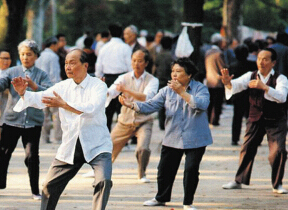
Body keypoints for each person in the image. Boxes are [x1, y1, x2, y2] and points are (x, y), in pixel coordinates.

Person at [12, 49, 113, 210]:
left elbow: (92, 108)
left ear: (85, 65)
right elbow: (41, 98)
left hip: (98, 145)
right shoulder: (62, 86)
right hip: (71, 145)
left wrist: (64, 105)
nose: (68, 66)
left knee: (104, 181)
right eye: (66, 63)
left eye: (72, 62)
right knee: (48, 186)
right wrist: (24, 93)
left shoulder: (98, 85)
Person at [119, 57, 213, 210]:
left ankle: (188, 203)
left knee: (191, 169)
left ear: (189, 75)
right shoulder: (166, 90)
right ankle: (161, 198)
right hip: (173, 136)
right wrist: (132, 105)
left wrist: (182, 92)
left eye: (178, 71)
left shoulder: (200, 88)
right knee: (164, 169)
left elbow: (202, 105)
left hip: (196, 137)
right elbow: (151, 105)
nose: (174, 75)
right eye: (173, 71)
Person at [221, 48, 288, 194]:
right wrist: (228, 83)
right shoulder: (250, 75)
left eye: (265, 59)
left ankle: (277, 184)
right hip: (255, 117)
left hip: (276, 119)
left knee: (278, 151)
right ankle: (239, 180)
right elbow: (236, 85)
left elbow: (282, 97)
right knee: (247, 148)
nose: (261, 62)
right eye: (259, 59)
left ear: (273, 62)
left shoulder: (281, 78)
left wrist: (264, 87)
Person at [0, 39, 52, 200]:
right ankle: (0, 184)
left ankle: (35, 191)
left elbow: (49, 92)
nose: (25, 57)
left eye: (29, 54)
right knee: (3, 154)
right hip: (11, 120)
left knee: (32, 156)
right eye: (22, 54)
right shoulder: (11, 71)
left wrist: (35, 86)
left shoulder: (42, 75)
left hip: (33, 122)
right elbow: (2, 84)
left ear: (36, 56)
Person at [108, 49, 158, 183]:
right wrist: (103, 91)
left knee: (143, 148)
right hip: (125, 120)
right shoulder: (123, 78)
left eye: (140, 61)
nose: (136, 64)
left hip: (144, 120)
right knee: (108, 146)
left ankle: (142, 174)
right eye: (134, 60)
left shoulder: (152, 80)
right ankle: (102, 170)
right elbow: (112, 91)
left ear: (146, 63)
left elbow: (146, 97)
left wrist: (126, 90)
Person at [96, 23, 132, 131]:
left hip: (107, 79)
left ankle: (106, 135)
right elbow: (130, 67)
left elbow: (98, 68)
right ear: (121, 34)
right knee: (122, 109)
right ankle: (122, 137)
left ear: (110, 34)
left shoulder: (104, 48)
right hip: (123, 80)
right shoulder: (126, 48)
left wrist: (101, 80)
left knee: (107, 110)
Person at [229, 44, 257, 145]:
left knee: (237, 117)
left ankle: (234, 138)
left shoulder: (232, 66)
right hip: (251, 95)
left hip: (238, 95)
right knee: (252, 117)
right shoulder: (253, 65)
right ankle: (252, 137)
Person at [35, 36, 62, 144]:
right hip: (51, 87)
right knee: (57, 114)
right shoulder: (53, 56)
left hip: (39, 87)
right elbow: (54, 74)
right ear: (53, 45)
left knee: (43, 115)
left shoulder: (39, 56)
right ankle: (57, 137)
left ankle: (44, 138)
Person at [205, 33, 226, 126]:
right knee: (217, 103)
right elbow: (223, 67)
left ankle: (208, 118)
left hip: (209, 80)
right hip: (218, 81)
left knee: (210, 102)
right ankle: (215, 120)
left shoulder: (207, 52)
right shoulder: (219, 53)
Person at [154, 36, 174, 130]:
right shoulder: (171, 56)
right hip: (169, 81)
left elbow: (156, 67)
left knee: (161, 104)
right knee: (171, 103)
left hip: (160, 81)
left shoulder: (159, 55)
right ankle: (169, 123)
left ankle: (161, 124)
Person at [0, 49, 12, 139]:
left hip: (6, 104)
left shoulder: (13, 73)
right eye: (4, 58)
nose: (6, 61)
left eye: (8, 59)